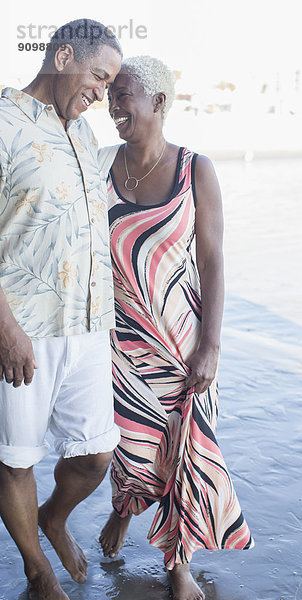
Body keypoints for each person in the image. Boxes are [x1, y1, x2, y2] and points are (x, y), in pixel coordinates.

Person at [98, 56, 254, 600]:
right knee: (130, 446)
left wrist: (211, 344)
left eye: (124, 96)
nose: (113, 105)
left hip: (183, 341)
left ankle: (178, 560)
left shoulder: (195, 169)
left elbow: (213, 262)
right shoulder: (100, 167)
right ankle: (123, 508)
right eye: (110, 95)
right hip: (119, 343)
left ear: (158, 103)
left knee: (186, 446)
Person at [0, 19, 122, 600]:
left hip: (90, 326)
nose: (102, 92)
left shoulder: (85, 136)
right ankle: (36, 569)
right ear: (63, 55)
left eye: (110, 83)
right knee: (17, 458)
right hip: (23, 327)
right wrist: (4, 327)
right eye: (99, 76)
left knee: (98, 455)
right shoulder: (3, 122)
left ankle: (53, 517)